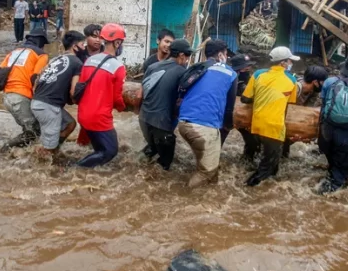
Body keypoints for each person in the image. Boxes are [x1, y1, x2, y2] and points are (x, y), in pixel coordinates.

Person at [178, 39, 238, 188]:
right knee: (206, 172)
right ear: (220, 55)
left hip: (184, 124)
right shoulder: (230, 73)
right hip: (203, 128)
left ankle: (210, 194)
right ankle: (184, 197)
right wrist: (228, 126)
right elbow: (229, 107)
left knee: (210, 165)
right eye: (225, 54)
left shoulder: (197, 68)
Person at [241, 46, 299, 186]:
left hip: (256, 125)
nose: (291, 64)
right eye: (289, 61)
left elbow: (245, 98)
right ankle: (248, 187)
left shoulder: (258, 74)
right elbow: (290, 102)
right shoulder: (292, 81)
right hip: (274, 128)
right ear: (283, 63)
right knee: (267, 166)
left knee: (271, 160)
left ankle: (266, 184)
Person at [76, 23, 127, 167]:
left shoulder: (89, 60)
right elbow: (117, 98)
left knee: (96, 149)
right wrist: (124, 108)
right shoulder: (118, 67)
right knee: (110, 151)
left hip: (83, 114)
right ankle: (75, 170)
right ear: (117, 43)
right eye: (121, 42)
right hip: (99, 118)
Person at [316, 53, 348, 193]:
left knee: (332, 160)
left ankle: (324, 187)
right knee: (342, 170)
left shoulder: (330, 82)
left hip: (327, 129)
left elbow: (323, 103)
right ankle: (329, 196)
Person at [139, 39, 192, 170]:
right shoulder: (182, 72)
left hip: (143, 119)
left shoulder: (152, 67)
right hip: (161, 124)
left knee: (151, 149)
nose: (187, 60)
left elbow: (141, 94)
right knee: (165, 166)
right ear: (181, 56)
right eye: (187, 56)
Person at [30, 31, 86, 154]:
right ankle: (40, 163)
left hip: (37, 102)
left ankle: (54, 151)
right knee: (47, 149)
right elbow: (73, 91)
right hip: (48, 107)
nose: (84, 48)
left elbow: (37, 82)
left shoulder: (55, 59)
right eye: (83, 44)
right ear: (75, 46)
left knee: (70, 124)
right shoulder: (77, 63)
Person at [0, 27, 50, 151]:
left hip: (7, 97)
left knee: (31, 129)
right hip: (21, 97)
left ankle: (24, 155)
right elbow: (35, 78)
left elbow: (0, 71)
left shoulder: (14, 52)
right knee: (33, 133)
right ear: (40, 41)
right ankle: (3, 150)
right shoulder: (41, 55)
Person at [221, 54, 261, 165]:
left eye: (249, 67)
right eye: (245, 67)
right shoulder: (227, 78)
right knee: (217, 142)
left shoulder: (250, 79)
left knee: (254, 143)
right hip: (227, 114)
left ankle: (247, 162)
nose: (247, 69)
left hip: (244, 116)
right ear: (237, 68)